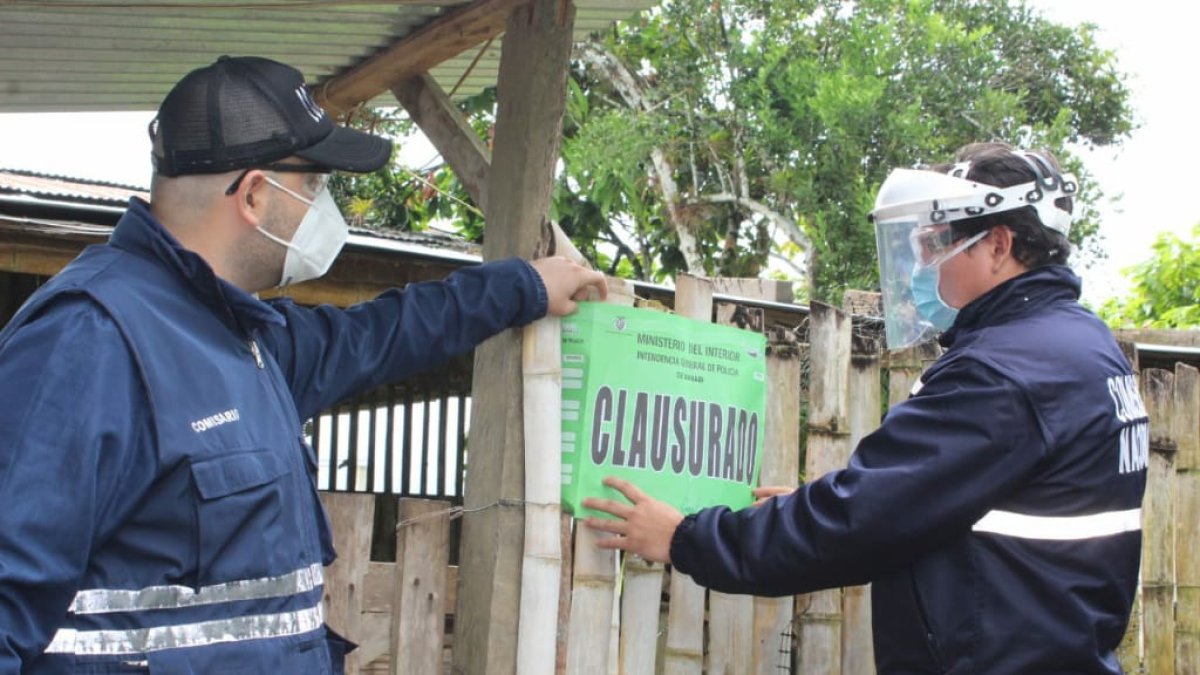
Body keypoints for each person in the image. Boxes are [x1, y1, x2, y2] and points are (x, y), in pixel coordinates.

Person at [0, 55, 606, 674]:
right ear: (256, 194)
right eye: (315, 185)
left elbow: (383, 334)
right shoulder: (89, 341)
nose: (325, 207)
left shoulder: (244, 339)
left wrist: (524, 286)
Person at [584, 143, 1148, 673]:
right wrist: (847, 503)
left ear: (999, 245)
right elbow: (974, 507)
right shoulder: (1084, 346)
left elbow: (859, 524)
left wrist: (686, 538)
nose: (925, 263)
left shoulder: (1000, 372)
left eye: (939, 242)